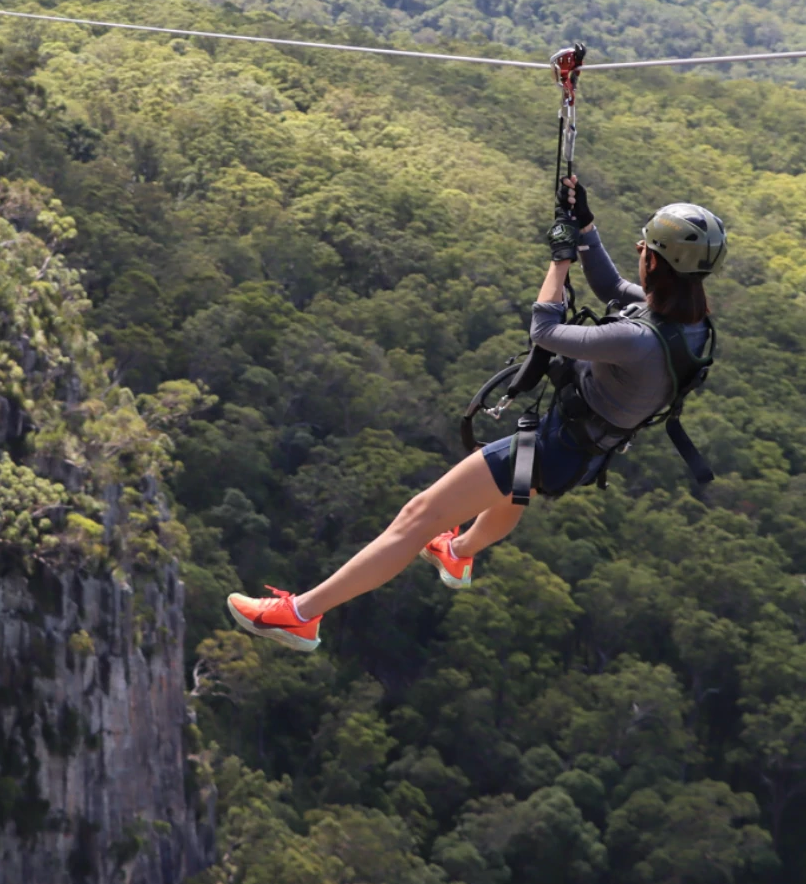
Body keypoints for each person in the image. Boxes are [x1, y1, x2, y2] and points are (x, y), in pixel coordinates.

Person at [226, 178, 726, 651]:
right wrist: (586, 227)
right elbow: (613, 289)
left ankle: (302, 614)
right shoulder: (688, 323)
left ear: (659, 264)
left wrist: (558, 262)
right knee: (515, 493)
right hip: (582, 455)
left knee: (416, 517)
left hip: (556, 445)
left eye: (646, 248)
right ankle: (458, 554)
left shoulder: (636, 339)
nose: (639, 251)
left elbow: (545, 331)